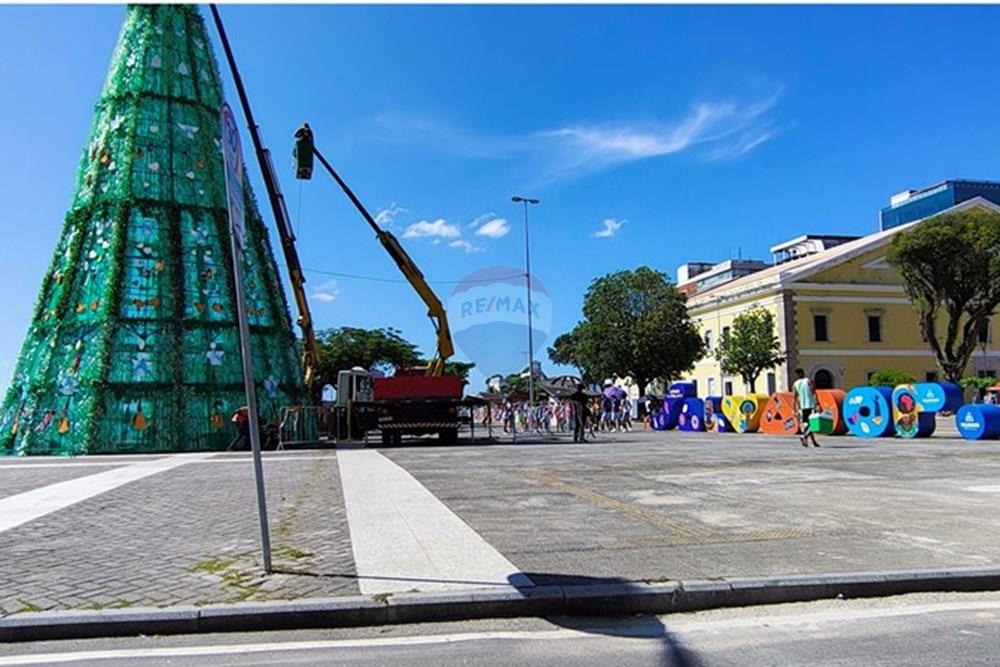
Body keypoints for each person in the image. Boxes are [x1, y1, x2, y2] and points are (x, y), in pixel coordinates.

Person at [792, 368, 820, 447]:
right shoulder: (808, 381)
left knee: (807, 424)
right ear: (803, 373)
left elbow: (794, 397)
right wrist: (818, 403)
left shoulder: (795, 384)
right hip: (811, 405)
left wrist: (794, 409)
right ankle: (804, 436)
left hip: (803, 407)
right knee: (813, 424)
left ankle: (813, 442)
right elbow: (814, 393)